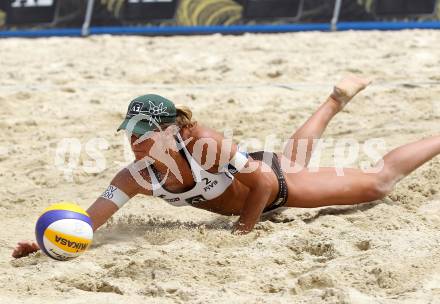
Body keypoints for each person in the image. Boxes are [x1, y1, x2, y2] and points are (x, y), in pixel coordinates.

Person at [12, 76, 440, 258]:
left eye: (144, 133)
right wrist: (52, 241)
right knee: (292, 161)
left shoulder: (206, 144)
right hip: (259, 177)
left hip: (273, 191)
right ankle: (334, 99)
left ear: (169, 131)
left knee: (379, 183)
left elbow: (266, 182)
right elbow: (90, 220)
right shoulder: (134, 177)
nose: (136, 142)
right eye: (130, 133)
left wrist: (245, 229)